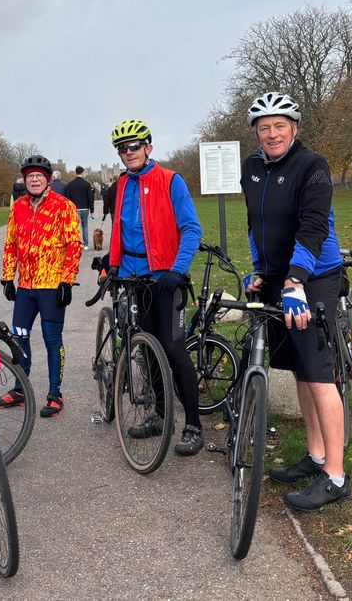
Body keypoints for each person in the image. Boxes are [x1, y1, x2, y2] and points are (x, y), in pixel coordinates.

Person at [240, 91, 349, 510]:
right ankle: (317, 454)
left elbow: (313, 227)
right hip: (279, 279)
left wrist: (295, 281)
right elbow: (257, 223)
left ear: (294, 129)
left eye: (279, 126)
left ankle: (336, 475)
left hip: (314, 277)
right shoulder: (251, 168)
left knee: (319, 374)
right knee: (300, 369)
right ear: (256, 133)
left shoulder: (313, 166)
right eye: (264, 128)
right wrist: (260, 270)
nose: (271, 134)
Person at [107, 119, 204, 455]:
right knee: (147, 351)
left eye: (134, 145)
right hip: (135, 280)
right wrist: (112, 262)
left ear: (148, 147)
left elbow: (192, 229)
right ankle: (161, 416)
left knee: (174, 350)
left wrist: (177, 270)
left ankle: (193, 424)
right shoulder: (122, 184)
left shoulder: (170, 181)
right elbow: (121, 227)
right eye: (122, 148)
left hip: (165, 279)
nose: (128, 152)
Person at [0, 155, 82, 418]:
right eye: (29, 176)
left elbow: (74, 245)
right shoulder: (18, 206)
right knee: (19, 336)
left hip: (52, 287)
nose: (33, 179)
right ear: (25, 179)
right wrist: (8, 276)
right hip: (26, 289)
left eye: (38, 176)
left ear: (47, 179)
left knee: (52, 340)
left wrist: (68, 279)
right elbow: (10, 243)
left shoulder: (63, 206)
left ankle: (55, 394)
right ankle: (20, 389)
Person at [65, 165, 95, 249]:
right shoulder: (87, 184)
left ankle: (77, 244)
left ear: (76, 172)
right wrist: (92, 210)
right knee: (85, 226)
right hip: (85, 208)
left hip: (74, 209)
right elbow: (90, 198)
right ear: (82, 172)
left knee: (75, 227)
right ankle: (85, 245)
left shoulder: (70, 184)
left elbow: (68, 198)